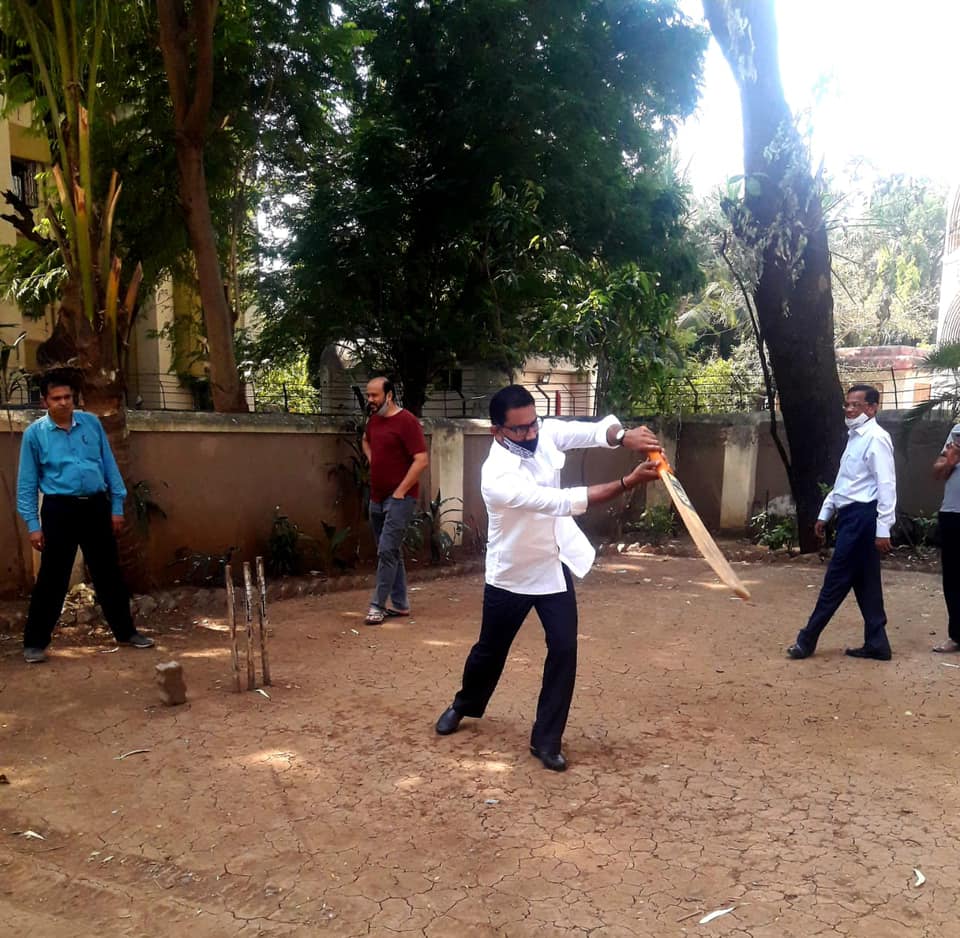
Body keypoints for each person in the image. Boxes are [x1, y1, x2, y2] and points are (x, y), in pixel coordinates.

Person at [434, 384, 662, 771]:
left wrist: (624, 436)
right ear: (497, 432)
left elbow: (590, 432)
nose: (530, 434)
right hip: (511, 574)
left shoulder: (544, 433)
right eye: (519, 429)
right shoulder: (497, 476)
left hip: (553, 567)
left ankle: (546, 740)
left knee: (564, 649)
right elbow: (562, 503)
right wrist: (628, 482)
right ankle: (464, 704)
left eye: (532, 425)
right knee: (490, 651)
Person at [17, 368, 154, 664]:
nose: (64, 402)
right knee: (52, 579)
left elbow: (109, 466)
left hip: (95, 507)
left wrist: (116, 507)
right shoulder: (35, 435)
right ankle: (35, 643)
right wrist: (33, 526)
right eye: (56, 398)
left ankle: (126, 632)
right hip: (59, 509)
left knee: (108, 573)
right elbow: (26, 485)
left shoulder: (92, 425)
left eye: (68, 397)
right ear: (45, 402)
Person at [787, 384, 896, 662]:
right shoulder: (854, 438)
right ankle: (877, 643)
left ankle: (807, 639)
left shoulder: (876, 438)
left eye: (856, 405)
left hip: (863, 518)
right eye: (847, 405)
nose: (849, 410)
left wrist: (883, 529)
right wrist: (826, 513)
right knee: (866, 582)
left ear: (872, 408)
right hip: (851, 516)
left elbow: (886, 486)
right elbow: (844, 483)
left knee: (836, 579)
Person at [362, 376, 429, 625]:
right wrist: (374, 460)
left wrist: (401, 490)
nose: (370, 400)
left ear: (388, 395)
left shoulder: (407, 422)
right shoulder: (374, 421)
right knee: (391, 552)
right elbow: (366, 441)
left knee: (387, 551)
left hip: (400, 498)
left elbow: (421, 459)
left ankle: (377, 606)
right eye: (369, 395)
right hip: (377, 497)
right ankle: (400, 605)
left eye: (374, 395)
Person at [931, 424, 960, 654]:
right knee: (952, 578)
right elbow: (937, 472)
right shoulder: (957, 431)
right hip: (952, 514)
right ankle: (956, 636)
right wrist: (950, 461)